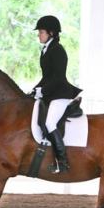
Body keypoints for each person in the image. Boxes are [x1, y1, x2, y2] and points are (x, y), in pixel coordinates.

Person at [32, 15, 82, 174]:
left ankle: (63, 162)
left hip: (61, 93)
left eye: (41, 32)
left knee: (49, 123)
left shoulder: (58, 50)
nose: (39, 34)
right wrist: (35, 89)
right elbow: (47, 77)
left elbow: (58, 77)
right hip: (51, 93)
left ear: (51, 33)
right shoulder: (46, 49)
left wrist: (43, 90)